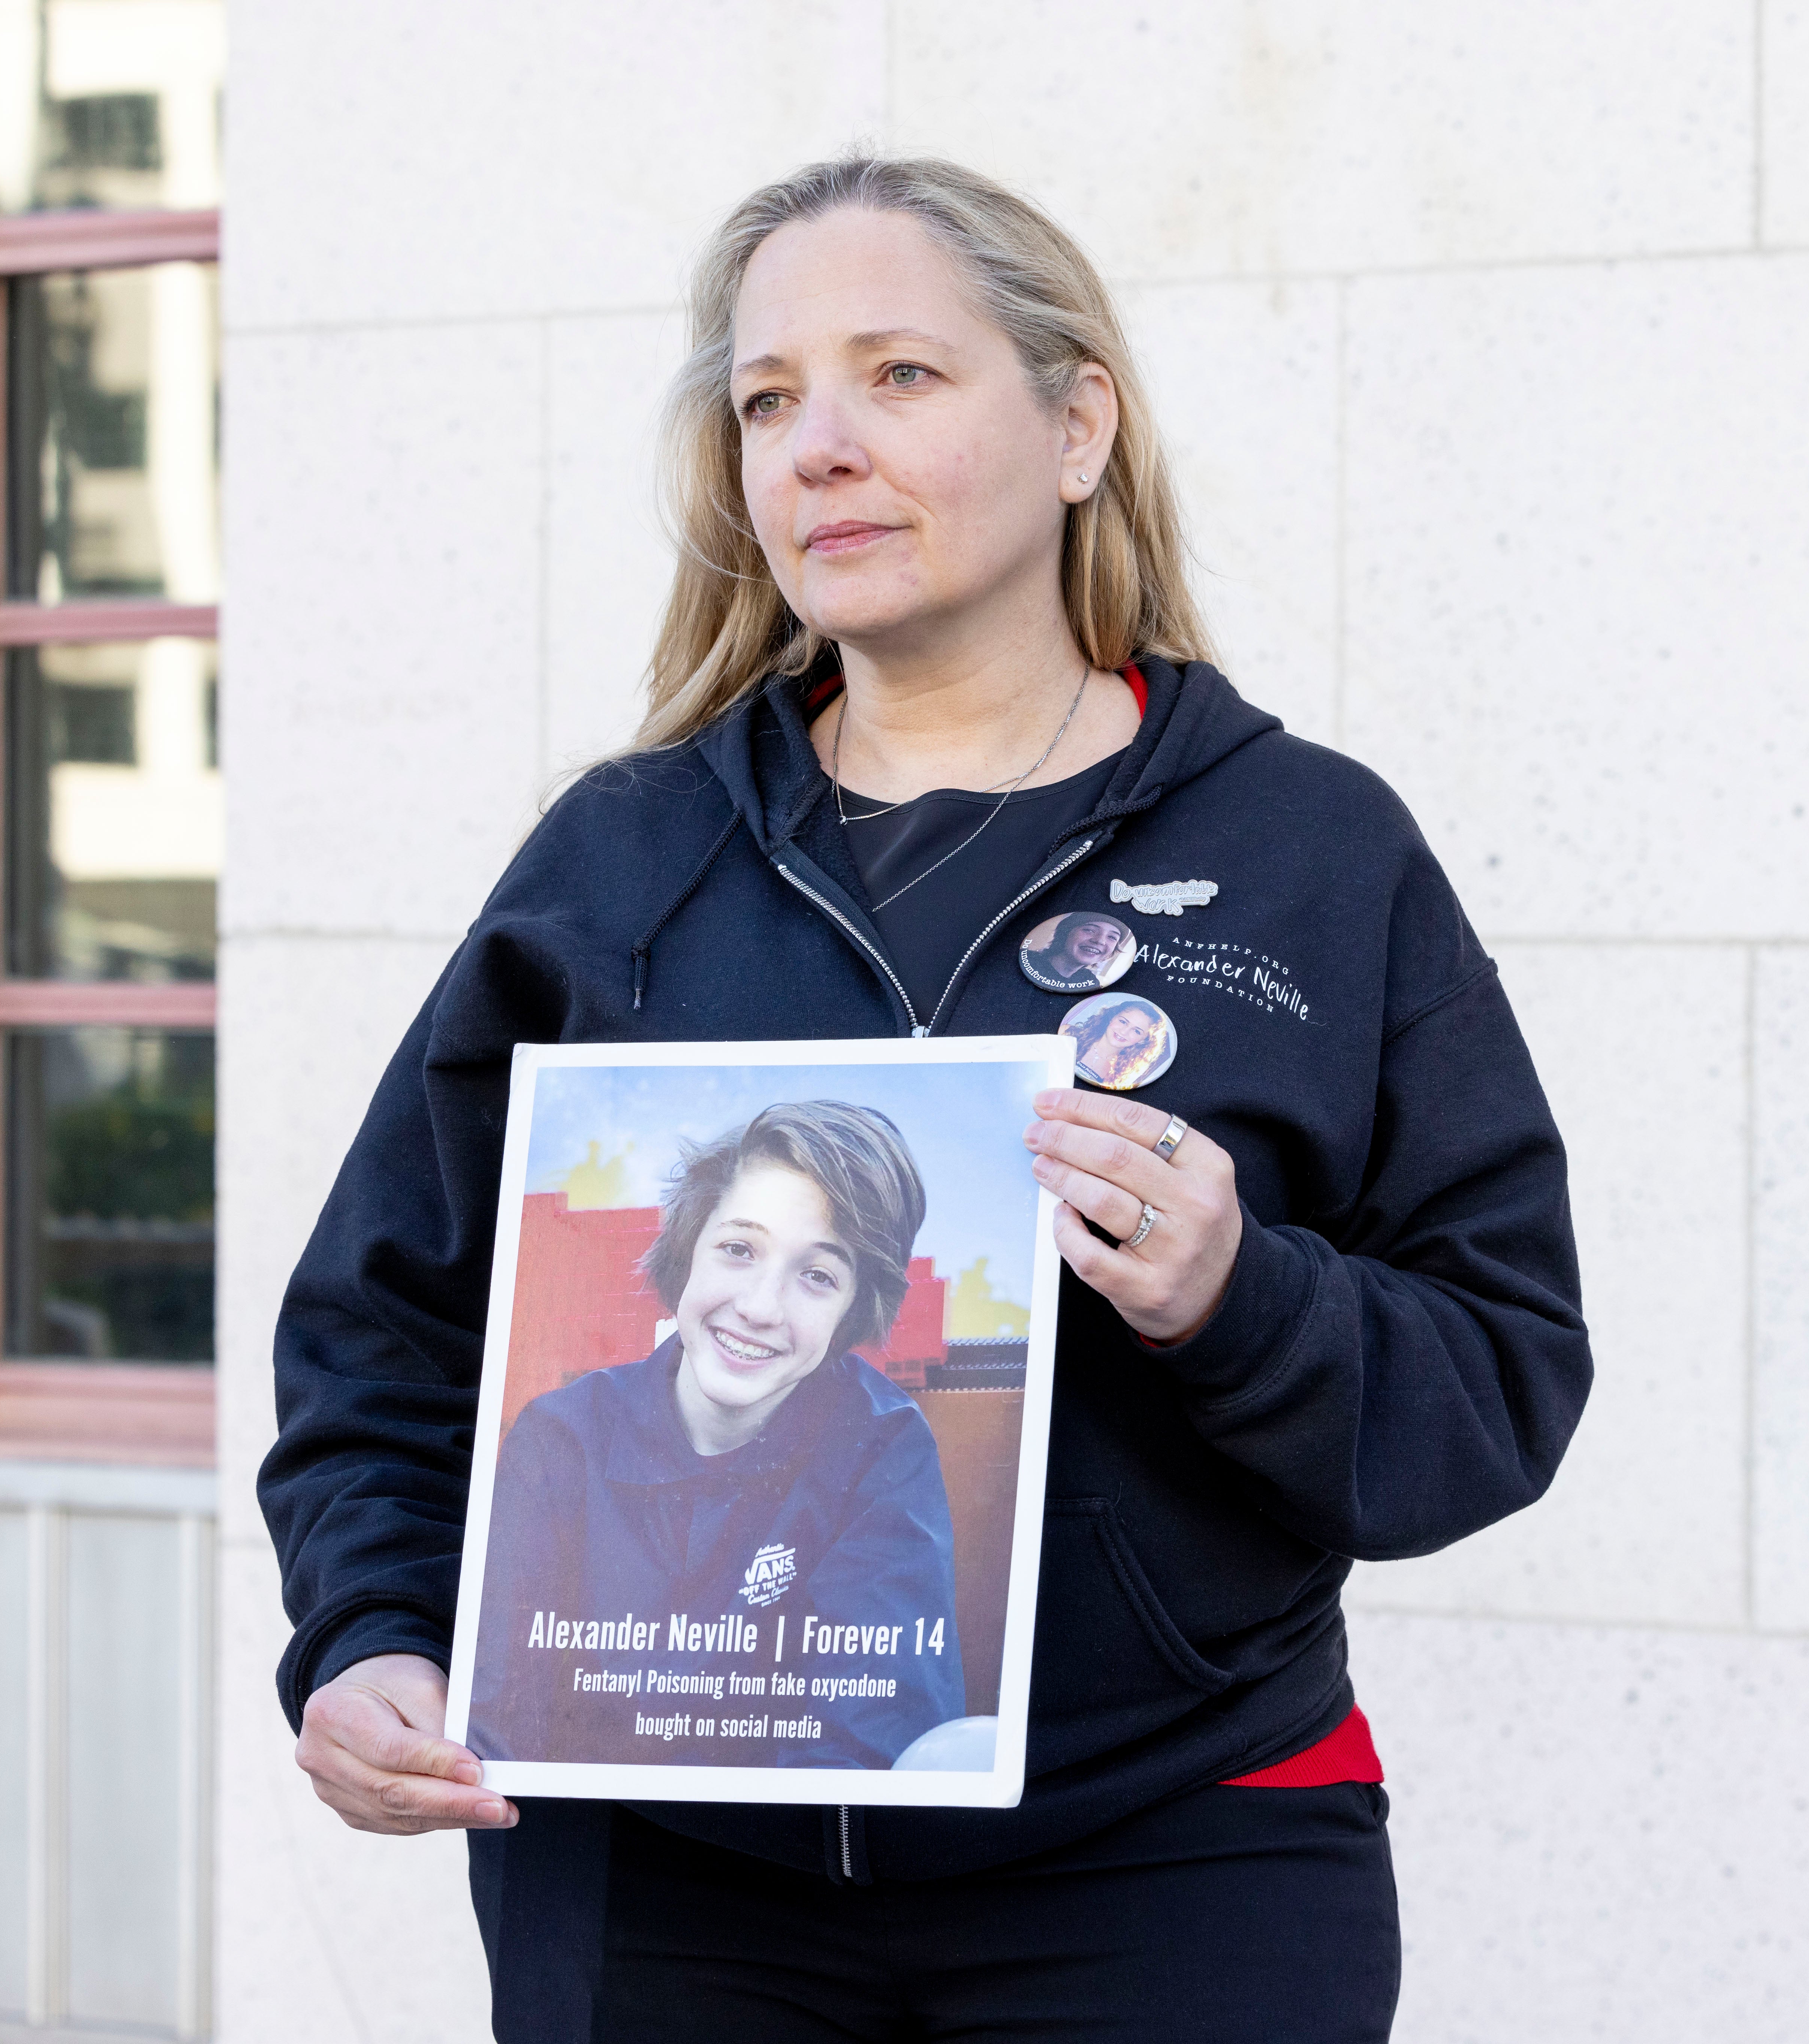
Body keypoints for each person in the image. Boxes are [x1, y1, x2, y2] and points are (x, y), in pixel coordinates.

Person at [262, 154, 1589, 2044]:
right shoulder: (619, 864)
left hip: (1174, 1858)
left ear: (1075, 424)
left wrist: (1243, 1294)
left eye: (899, 375)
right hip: (665, 1885)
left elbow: (1499, 1376)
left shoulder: (1315, 853)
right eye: (767, 398)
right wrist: (371, 1634)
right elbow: (385, 1333)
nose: (818, 445)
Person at [465, 1101, 964, 1772]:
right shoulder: (561, 1437)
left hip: (781, 1858)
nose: (760, 1306)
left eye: (817, 1275)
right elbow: (496, 1720)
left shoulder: (884, 1445)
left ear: (854, 1308)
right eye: (738, 1248)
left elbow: (872, 1732)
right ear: (688, 1249)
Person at [1063, 992, 1168, 1088]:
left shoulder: (1121, 1078)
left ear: (1143, 1041)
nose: (1124, 1032)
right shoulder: (1066, 1032)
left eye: (1137, 1031)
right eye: (1123, 1022)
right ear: (1112, 1018)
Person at [1019, 908, 1130, 989]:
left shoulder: (1090, 981)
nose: (1100, 941)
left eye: (1112, 937)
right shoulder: (1030, 960)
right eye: (1090, 930)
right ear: (1066, 933)